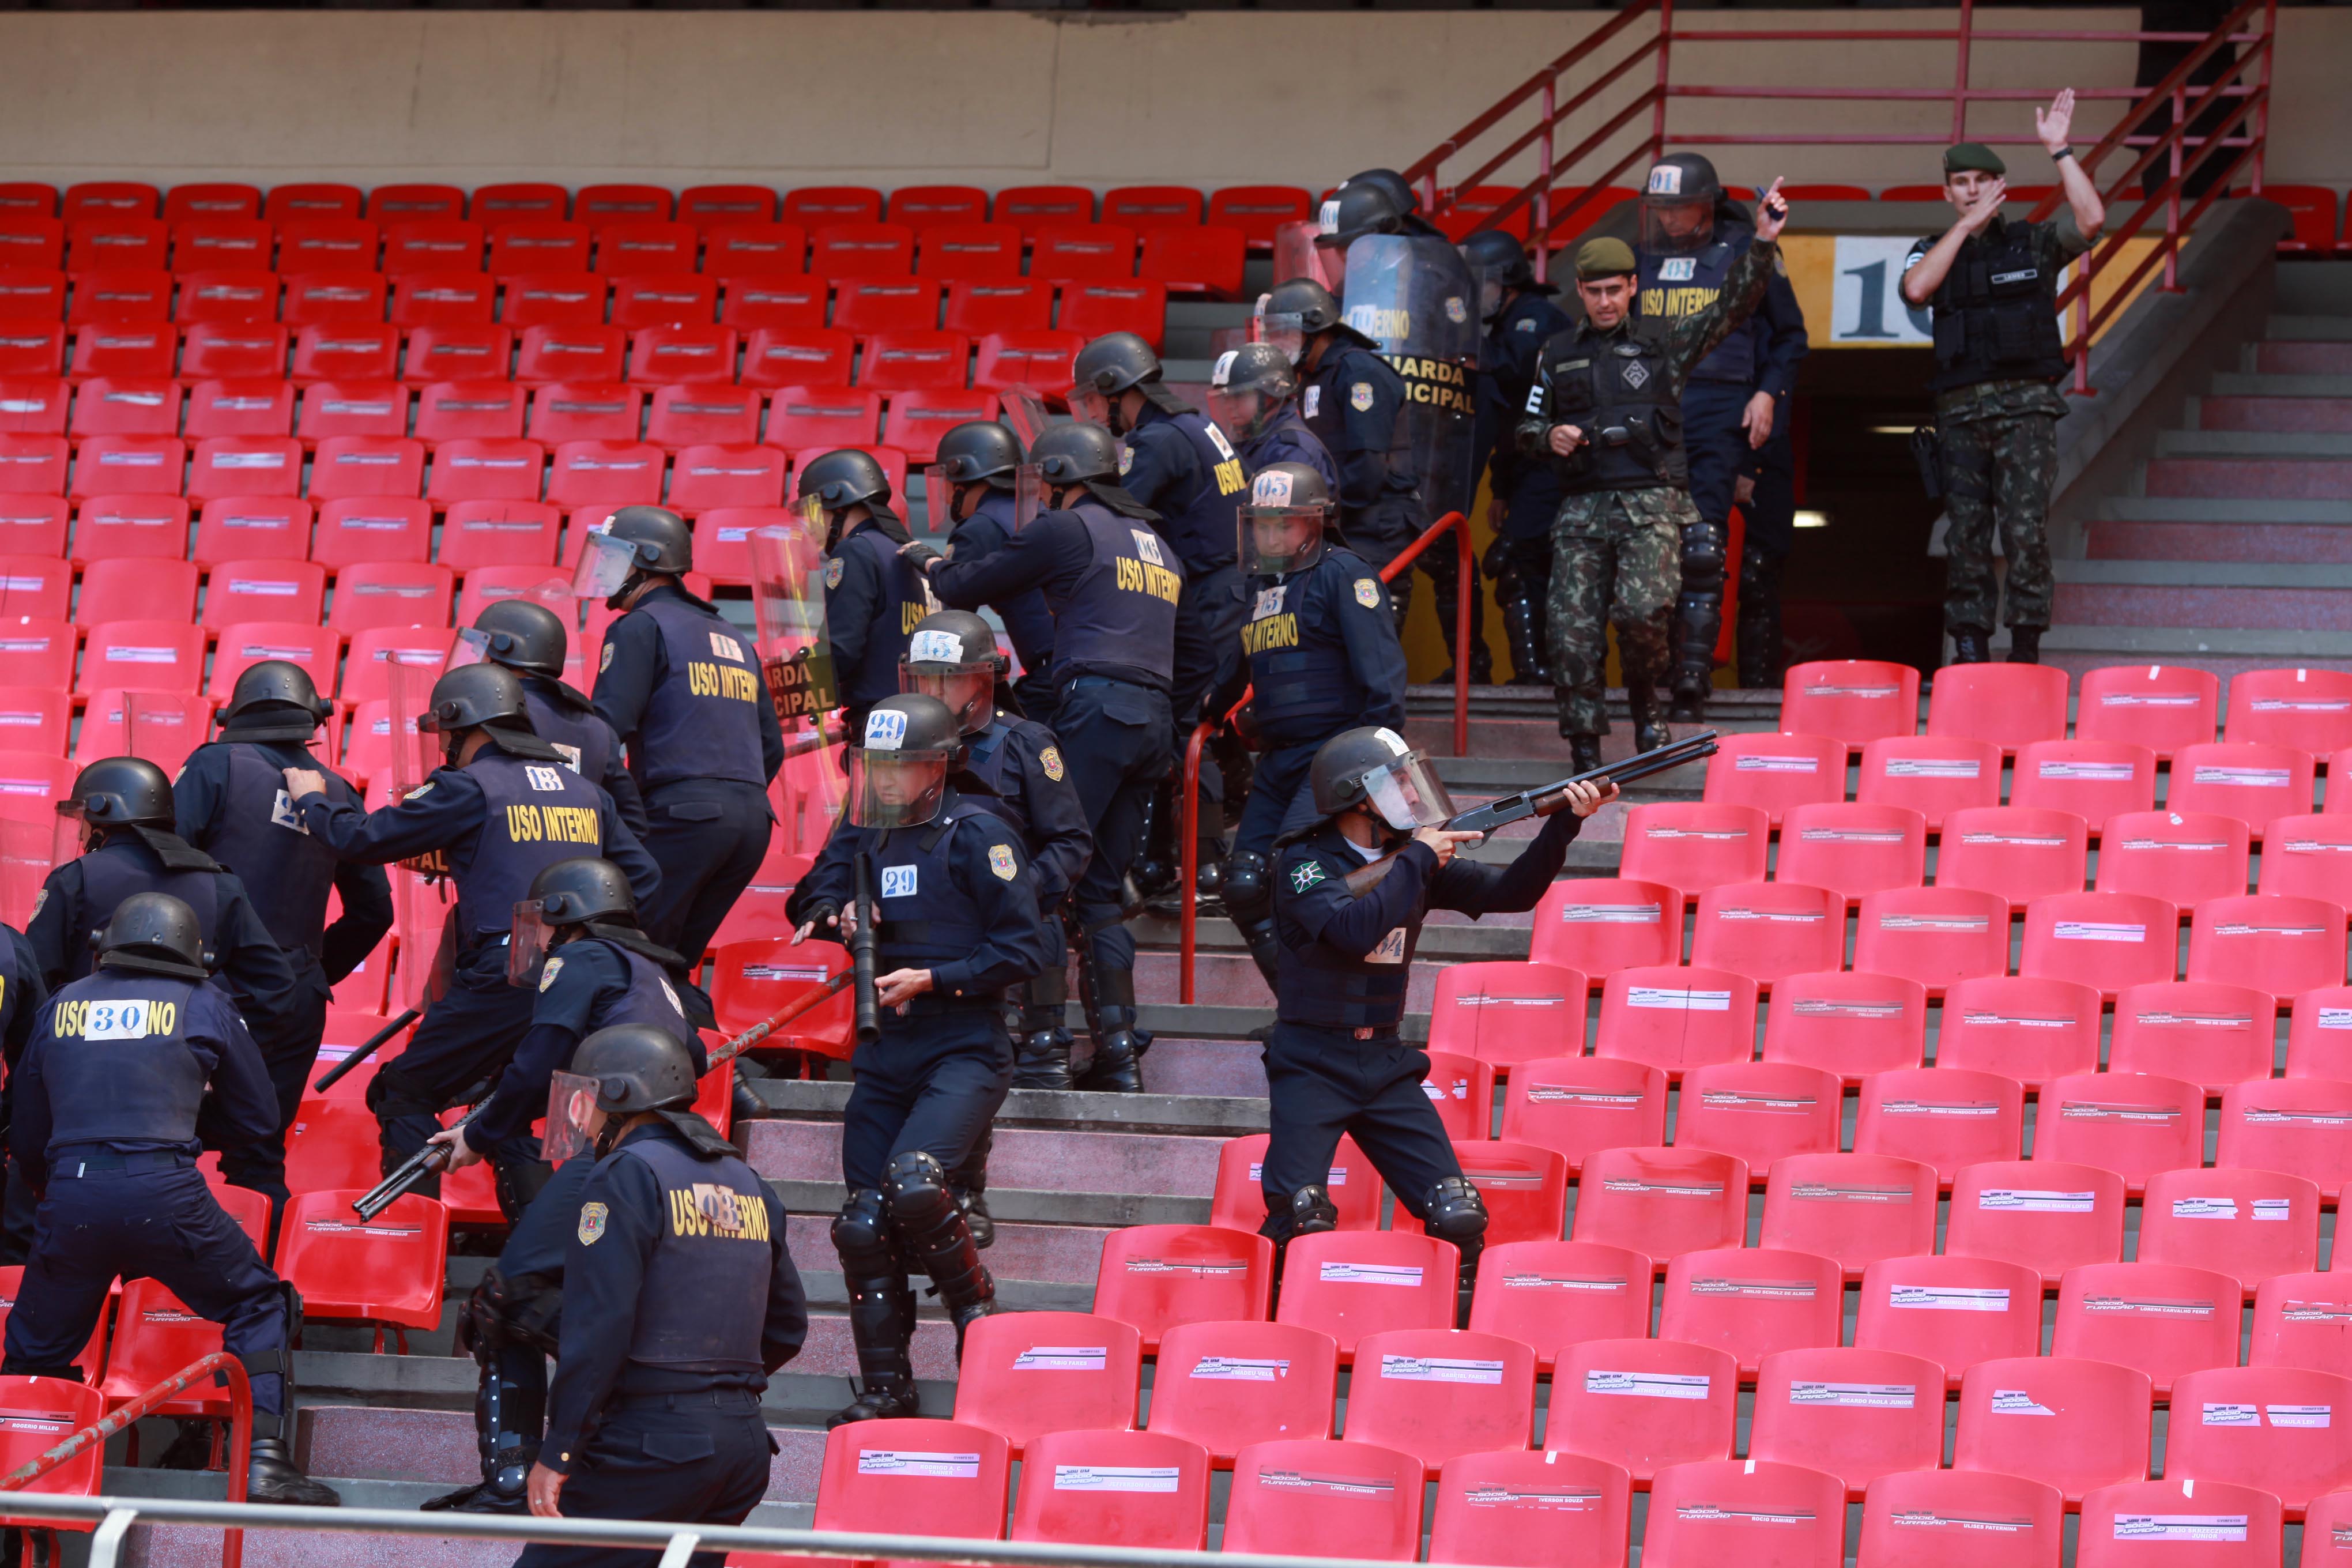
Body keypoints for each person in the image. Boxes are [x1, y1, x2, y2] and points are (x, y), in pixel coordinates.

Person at [0, 892, 340, 1505]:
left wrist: (57, 1185)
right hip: (167, 1189)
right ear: (193, 950)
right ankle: (262, 1460)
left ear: (107, 943)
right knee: (259, 1300)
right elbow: (258, 1116)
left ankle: (22, 1478)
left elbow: (26, 1131)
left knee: (33, 1349)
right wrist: (188, 1119)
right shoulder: (204, 1001)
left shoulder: (62, 1004)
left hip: (71, 1190)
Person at [1264, 731, 1615, 1321]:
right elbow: (1355, 931)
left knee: (1457, 1211)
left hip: (1384, 1063)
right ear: (1358, 797)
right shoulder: (1304, 864)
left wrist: (1565, 823)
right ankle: (1272, 1328)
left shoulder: (1412, 857)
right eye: (1396, 780)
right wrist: (1419, 860)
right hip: (1310, 1062)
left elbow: (1513, 892)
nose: (1410, 789)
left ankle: (1456, 1341)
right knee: (1300, 1213)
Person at [285, 664, 658, 1216]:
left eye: (444, 734)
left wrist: (314, 799)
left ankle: (411, 1242)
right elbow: (643, 877)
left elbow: (361, 838)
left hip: (508, 971)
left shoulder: (468, 787)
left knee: (403, 1091)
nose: (443, 749)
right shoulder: (586, 792)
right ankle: (536, 1259)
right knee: (507, 1104)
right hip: (584, 975)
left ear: (465, 725)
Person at [785, 694, 1053, 1425]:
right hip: (885, 1048)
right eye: (875, 764)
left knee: (912, 1182)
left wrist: (937, 975)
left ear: (938, 766)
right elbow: (809, 893)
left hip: (964, 1041)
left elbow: (1030, 947)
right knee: (862, 1221)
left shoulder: (981, 834)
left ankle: (979, 1318)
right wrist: (836, 910)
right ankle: (886, 1387)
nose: (886, 777)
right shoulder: (865, 829)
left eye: (899, 764)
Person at [422, 858, 707, 1516]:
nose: (541, 941)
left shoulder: (579, 960)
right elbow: (693, 1057)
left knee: (504, 1299)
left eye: (546, 926)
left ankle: (511, 1477)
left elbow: (537, 1058)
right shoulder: (656, 973)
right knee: (564, 1293)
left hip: (614, 1150)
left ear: (565, 917)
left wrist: (477, 1132)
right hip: (668, 1150)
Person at [907, 423, 1180, 1094]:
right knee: (1102, 891)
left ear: (1061, 477)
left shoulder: (1069, 528)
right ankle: (1118, 1055)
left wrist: (933, 565)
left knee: (1048, 873)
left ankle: (1045, 1048)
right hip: (1156, 719)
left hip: (1097, 704)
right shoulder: (1160, 545)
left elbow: (974, 583)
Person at [1515, 180, 1793, 772]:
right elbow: (1527, 427)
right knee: (1570, 635)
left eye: (1616, 290)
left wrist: (1764, 242)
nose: (1607, 302)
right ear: (1582, 292)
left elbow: (1731, 307)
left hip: (1651, 507)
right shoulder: (1557, 352)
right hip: (1582, 510)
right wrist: (1548, 436)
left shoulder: (1664, 345)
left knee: (1642, 616)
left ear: (1633, 287)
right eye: (1595, 292)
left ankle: (1646, 703)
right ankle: (1584, 744)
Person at [518, 1025, 805, 1566]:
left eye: (589, 1102)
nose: (582, 1119)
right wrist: (716, 1388)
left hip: (654, 1446)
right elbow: (788, 1325)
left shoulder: (623, 1174)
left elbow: (600, 1326)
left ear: (619, 1096)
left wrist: (559, 1449)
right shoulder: (748, 1180)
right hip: (741, 1446)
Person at [172, 661, 396, 1215]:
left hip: (210, 990)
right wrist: (313, 970)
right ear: (313, 720)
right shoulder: (336, 790)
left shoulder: (214, 765)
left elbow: (163, 867)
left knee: (161, 1142)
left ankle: (151, 1294)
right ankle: (259, 1291)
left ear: (235, 713)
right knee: (260, 1156)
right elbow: (375, 911)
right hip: (298, 1000)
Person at [1899, 91, 2106, 666]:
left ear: (2001, 186)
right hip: (1960, 414)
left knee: (2023, 531)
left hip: (2026, 411)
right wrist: (1964, 228)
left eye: (1982, 180)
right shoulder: (1932, 250)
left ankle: (2025, 645)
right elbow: (1917, 290)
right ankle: (1969, 645)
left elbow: (2091, 220)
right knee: (1964, 533)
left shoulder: (2033, 241)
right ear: (1948, 193)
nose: (1971, 189)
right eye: (1961, 182)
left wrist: (2060, 150)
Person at [1211, 464, 1408, 990]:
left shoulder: (1346, 575)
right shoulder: (1263, 587)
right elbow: (1234, 673)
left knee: (1296, 875)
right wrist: (1203, 715)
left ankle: (1322, 1005)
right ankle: (1301, 1004)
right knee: (1243, 884)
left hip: (1335, 759)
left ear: (1316, 522)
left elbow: (1383, 681)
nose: (1271, 535)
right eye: (1262, 524)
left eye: (1285, 524)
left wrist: (1372, 771)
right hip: (1277, 760)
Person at [1072, 332, 1248, 915]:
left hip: (1209, 594)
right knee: (1194, 723)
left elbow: (1113, 512)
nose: (1092, 415)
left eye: (1091, 404)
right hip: (1224, 587)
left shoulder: (1157, 440)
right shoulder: (1195, 424)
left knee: (1196, 727)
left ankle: (1207, 866)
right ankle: (1175, 859)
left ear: (1114, 391)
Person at [1631, 153, 1811, 719]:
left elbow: (1790, 337)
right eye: (1658, 207)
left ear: (1707, 204)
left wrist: (1766, 394)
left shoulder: (1744, 251)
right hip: (1653, 409)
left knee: (1703, 544)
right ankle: (1652, 675)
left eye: (1678, 206)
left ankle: (1692, 679)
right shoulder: (1640, 260)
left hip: (1721, 405)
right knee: (1648, 547)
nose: (1667, 218)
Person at [581, 505, 783, 962]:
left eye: (615, 557)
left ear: (645, 561)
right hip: (751, 824)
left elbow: (606, 730)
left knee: (625, 954)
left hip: (681, 816)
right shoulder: (733, 637)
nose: (605, 568)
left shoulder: (638, 626)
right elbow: (770, 746)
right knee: (673, 962)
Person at [1260, 276, 1487, 681]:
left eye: (1285, 333)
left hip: (1377, 519)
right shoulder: (1313, 376)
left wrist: (1322, 515)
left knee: (1365, 625)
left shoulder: (1359, 373)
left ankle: (1467, 671)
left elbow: (1366, 469)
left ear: (1316, 329)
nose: (1279, 343)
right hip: (1342, 517)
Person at [902, 609, 1092, 1096]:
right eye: (923, 679)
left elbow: (1070, 842)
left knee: (1037, 922)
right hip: (933, 919)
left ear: (985, 678)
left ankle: (1042, 1046)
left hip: (1007, 916)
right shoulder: (898, 749)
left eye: (948, 680)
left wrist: (1017, 893)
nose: (933, 692)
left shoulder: (1026, 743)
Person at [1461, 231, 1573, 687]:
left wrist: (1466, 346)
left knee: (1519, 560)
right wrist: (1502, 489)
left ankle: (1540, 671)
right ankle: (1538, 669)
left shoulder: (1536, 318)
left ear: (1506, 282)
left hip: (1554, 465)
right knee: (1525, 564)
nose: (1474, 298)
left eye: (1480, 286)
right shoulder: (1504, 326)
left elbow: (1519, 370)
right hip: (1524, 471)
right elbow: (1509, 420)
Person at [462, 598, 650, 842]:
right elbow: (634, 826)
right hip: (579, 874)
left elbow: (465, 801)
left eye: (482, 650)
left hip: (508, 867)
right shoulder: (598, 728)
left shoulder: (490, 713)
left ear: (501, 650)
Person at [796, 451, 938, 737]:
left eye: (811, 511)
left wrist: (795, 681)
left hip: (881, 722)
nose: (809, 526)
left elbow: (841, 649)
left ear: (835, 503)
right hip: (917, 714)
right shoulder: (897, 549)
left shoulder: (854, 550)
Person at [930, 420, 1056, 716]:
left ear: (960, 476)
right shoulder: (1043, 510)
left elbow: (953, 621)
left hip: (1050, 676)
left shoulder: (980, 528)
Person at [1207, 341, 1338, 491]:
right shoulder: (1251, 439)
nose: (1229, 405)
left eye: (1239, 395)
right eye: (1225, 398)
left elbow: (1285, 513)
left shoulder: (1290, 450)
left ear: (1271, 393)